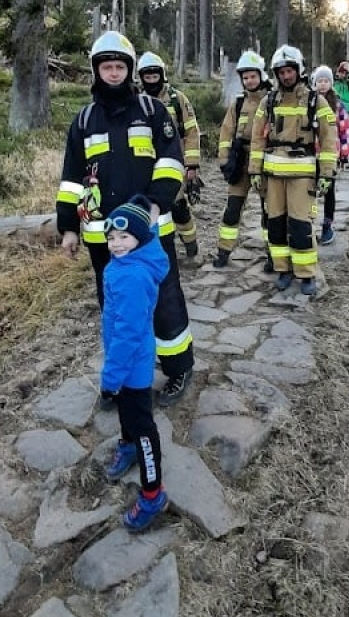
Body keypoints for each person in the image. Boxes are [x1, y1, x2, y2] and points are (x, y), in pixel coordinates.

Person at [56, 31, 194, 407]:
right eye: (107, 66)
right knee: (117, 311)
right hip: (105, 241)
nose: (113, 73)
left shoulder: (152, 111)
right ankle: (127, 377)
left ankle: (179, 367)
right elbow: (71, 179)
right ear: (96, 71)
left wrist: (154, 205)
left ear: (129, 70)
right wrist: (68, 227)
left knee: (165, 302)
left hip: (150, 233)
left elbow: (171, 162)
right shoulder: (83, 121)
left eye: (120, 66)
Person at [100, 194, 169, 532]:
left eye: (124, 237)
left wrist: (110, 377)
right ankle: (126, 445)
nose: (116, 244)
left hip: (131, 366)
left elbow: (128, 333)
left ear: (140, 237)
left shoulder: (131, 276)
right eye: (111, 237)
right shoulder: (125, 264)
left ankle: (153, 493)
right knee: (127, 415)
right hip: (126, 359)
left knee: (143, 429)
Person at [249, 45, 337, 298]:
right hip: (273, 176)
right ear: (275, 74)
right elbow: (257, 139)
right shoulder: (269, 102)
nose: (286, 76)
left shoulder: (315, 100)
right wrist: (255, 171)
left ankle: (306, 272)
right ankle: (283, 269)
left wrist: (327, 173)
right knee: (275, 225)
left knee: (300, 226)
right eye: (281, 72)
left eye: (290, 71)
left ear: (298, 71)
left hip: (302, 175)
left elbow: (329, 138)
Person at [137, 51, 201, 259]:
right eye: (147, 77)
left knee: (178, 205)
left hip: (174, 162)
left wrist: (191, 165)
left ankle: (190, 245)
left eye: (155, 76)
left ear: (162, 75)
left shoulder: (177, 99)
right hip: (145, 164)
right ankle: (158, 249)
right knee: (150, 207)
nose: (151, 81)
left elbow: (191, 131)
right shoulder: (135, 100)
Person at [213, 50, 271, 270]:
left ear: (261, 75)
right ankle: (223, 251)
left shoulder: (272, 100)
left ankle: (272, 254)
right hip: (240, 162)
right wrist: (224, 161)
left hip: (265, 164)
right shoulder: (238, 104)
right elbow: (226, 133)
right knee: (232, 209)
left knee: (269, 211)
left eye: (252, 76)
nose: (249, 81)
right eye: (245, 78)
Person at [310, 66, 348, 245]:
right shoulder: (309, 103)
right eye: (319, 81)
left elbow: (343, 130)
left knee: (329, 190)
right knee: (309, 190)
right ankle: (308, 225)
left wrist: (344, 154)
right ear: (314, 84)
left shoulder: (337, 105)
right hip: (311, 155)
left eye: (326, 81)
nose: (323, 84)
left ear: (331, 83)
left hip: (330, 154)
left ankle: (327, 225)